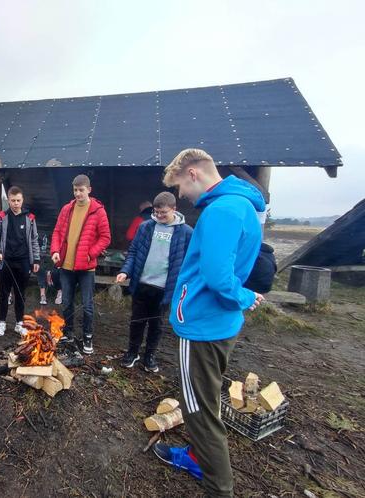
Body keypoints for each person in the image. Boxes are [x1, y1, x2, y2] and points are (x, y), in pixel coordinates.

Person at [152, 149, 265, 498]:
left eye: (181, 187)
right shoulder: (241, 206)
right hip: (218, 323)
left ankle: (218, 487)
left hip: (203, 325)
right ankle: (198, 455)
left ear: (193, 173)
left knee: (198, 410)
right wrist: (242, 296)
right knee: (207, 399)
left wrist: (244, 297)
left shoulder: (221, 211)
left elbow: (217, 276)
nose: (182, 196)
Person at [116, 191, 193, 371]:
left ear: (174, 209)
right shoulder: (146, 227)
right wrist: (125, 271)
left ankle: (149, 356)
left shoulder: (186, 233)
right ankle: (132, 352)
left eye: (163, 213)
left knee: (156, 325)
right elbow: (133, 252)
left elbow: (191, 261)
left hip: (165, 288)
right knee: (136, 321)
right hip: (142, 284)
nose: (159, 216)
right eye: (156, 213)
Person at [50, 174, 111, 354]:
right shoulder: (66, 209)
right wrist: (55, 251)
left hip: (87, 268)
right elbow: (57, 232)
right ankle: (68, 333)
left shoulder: (98, 211)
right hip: (66, 266)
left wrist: (91, 253)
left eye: (81, 190)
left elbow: (105, 237)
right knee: (67, 303)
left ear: (89, 190)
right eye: (75, 190)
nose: (78, 193)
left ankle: (88, 338)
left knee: (87, 305)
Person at [0, 186, 40, 336]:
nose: (16, 203)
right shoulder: (1, 217)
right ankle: (2, 322)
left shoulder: (30, 218)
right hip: (5, 262)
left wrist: (36, 259)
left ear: (22, 200)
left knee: (20, 293)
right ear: (8, 200)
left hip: (23, 262)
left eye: (18, 200)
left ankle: (19, 323)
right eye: (13, 200)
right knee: (4, 294)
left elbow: (34, 240)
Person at [36, 232, 62, 305]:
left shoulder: (58, 238)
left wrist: (50, 271)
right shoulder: (42, 239)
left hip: (57, 261)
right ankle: (43, 295)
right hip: (44, 261)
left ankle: (59, 293)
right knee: (40, 268)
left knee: (56, 271)